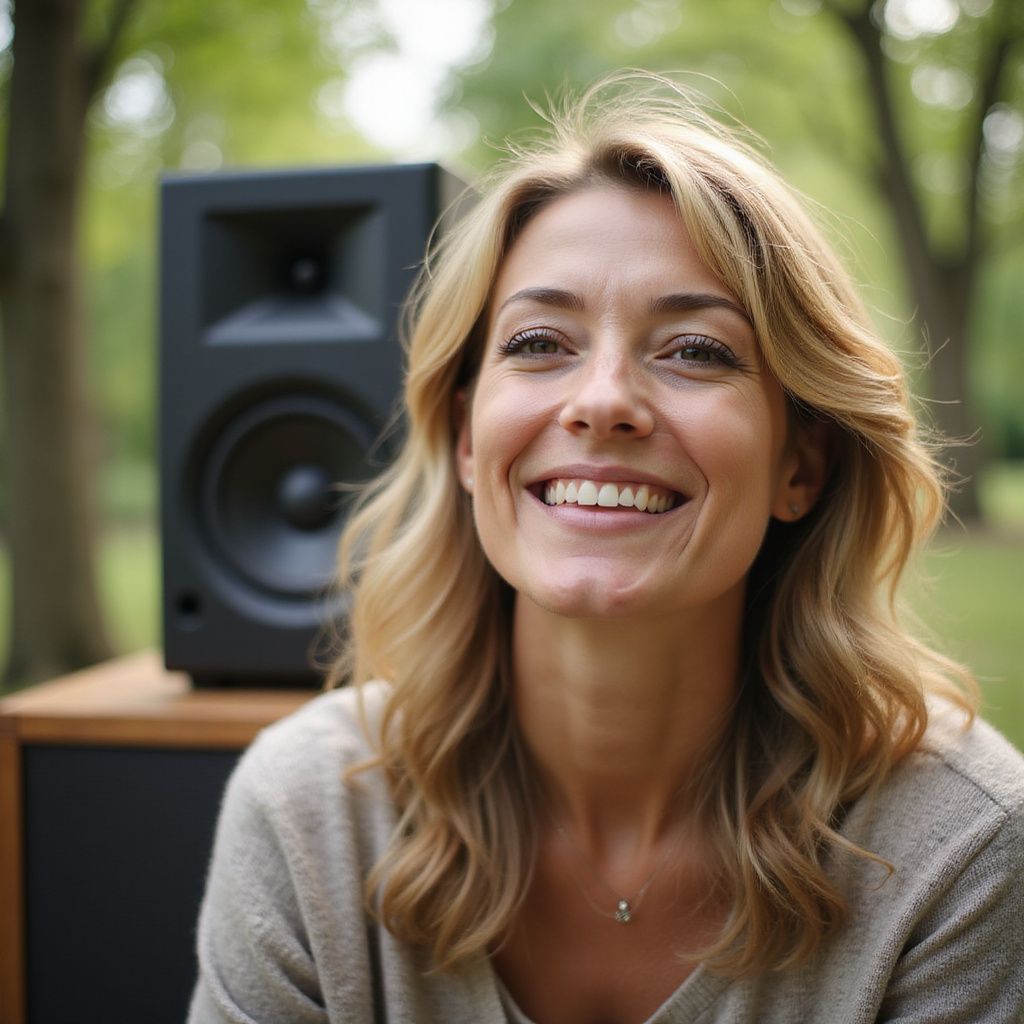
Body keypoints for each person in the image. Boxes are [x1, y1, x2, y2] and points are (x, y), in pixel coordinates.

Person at [187, 72, 1024, 1024]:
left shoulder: (960, 842)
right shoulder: (308, 816)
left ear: (803, 464)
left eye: (696, 350)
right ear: (467, 440)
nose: (602, 400)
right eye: (541, 341)